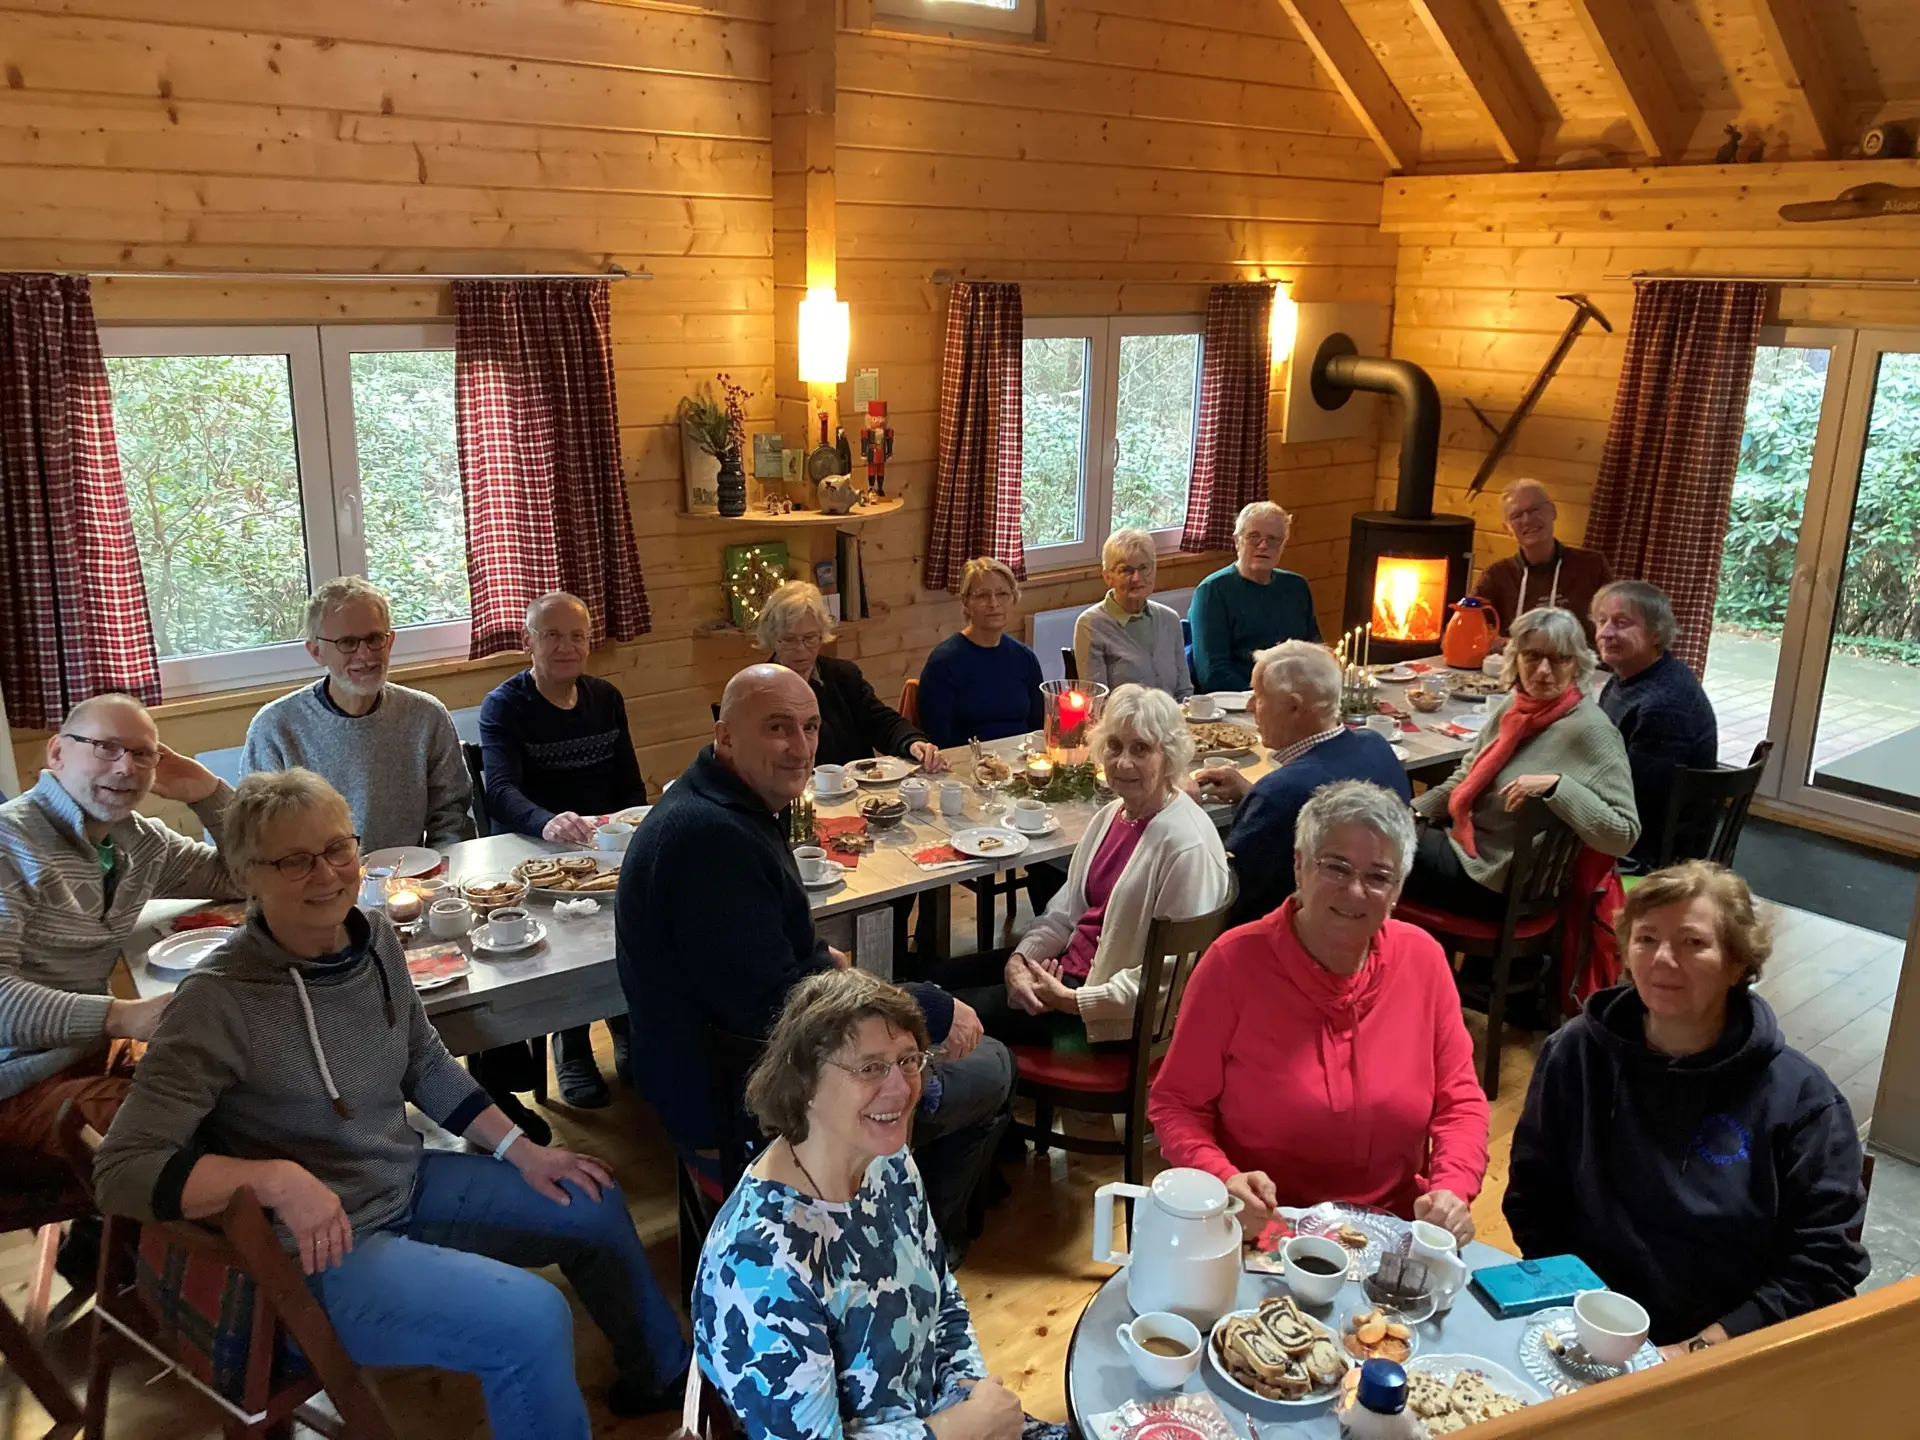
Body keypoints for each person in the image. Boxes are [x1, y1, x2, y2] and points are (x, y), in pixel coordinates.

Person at [93, 769, 691, 1436]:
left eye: (337, 849)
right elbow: (121, 1172)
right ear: (245, 876)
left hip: (400, 1182)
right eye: (294, 860)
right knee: (530, 1320)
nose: (326, 874)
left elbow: (424, 1063)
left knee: (592, 1199)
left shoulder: (374, 936)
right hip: (318, 1251)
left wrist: (520, 1150)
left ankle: (663, 1381)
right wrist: (274, 1179)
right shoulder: (214, 1001)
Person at [615, 664, 1011, 1254]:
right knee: (991, 1067)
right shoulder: (711, 838)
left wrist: (821, 962)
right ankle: (899, 1256)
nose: (800, 748)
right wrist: (920, 1011)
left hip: (721, 1060)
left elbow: (753, 958)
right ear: (725, 736)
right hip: (731, 1101)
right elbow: (776, 1009)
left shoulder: (722, 804)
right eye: (778, 728)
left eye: (810, 727)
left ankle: (888, 1212)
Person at [1504, 862, 1868, 1353]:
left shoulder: (1804, 1102)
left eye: (1692, 943)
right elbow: (1534, 1193)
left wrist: (1698, 1350)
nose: (1662, 960)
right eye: (1646, 938)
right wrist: (1577, 1315)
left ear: (1738, 963)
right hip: (1577, 1321)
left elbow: (1825, 1265)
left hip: (1722, 1349)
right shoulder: (1576, 1053)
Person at [694, 969, 1062, 1440]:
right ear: (804, 1082)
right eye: (869, 1067)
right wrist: (956, 1431)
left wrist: (970, 1392)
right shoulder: (759, 1264)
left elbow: (941, 1294)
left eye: (908, 1060)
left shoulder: (884, 1163)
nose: (901, 1088)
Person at [1149, 781, 1488, 1242]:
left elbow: (1461, 1102)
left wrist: (1452, 1188)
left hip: (1389, 1235)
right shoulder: (1234, 964)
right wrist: (1223, 1178)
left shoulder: (1423, 959)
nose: (1354, 891)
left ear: (1397, 889)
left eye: (1378, 876)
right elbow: (1176, 1105)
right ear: (1299, 865)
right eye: (1336, 867)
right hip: (1266, 1230)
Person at [0, 694, 236, 1164]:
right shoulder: (10, 844)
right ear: (57, 753)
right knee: (196, 1143)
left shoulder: (138, 842)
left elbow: (241, 876)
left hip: (88, 1055)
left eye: (143, 753)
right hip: (16, 1083)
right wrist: (125, 1017)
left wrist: (208, 794)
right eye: (105, 747)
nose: (126, 767)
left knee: (250, 1093)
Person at [932, 685, 1230, 1050]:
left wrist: (1073, 1001)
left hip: (1104, 1019)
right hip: (1067, 974)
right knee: (932, 980)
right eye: (1115, 746)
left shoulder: (1185, 844)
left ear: (1169, 757)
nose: (1122, 762)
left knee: (933, 1017)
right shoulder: (1113, 814)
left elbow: (1171, 980)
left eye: (1141, 749)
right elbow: (1065, 911)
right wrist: (1021, 959)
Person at [479, 591, 640, 1108]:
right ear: (528, 642)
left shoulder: (606, 698)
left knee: (642, 914)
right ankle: (570, 1043)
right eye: (552, 635)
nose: (567, 646)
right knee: (569, 936)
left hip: (606, 844)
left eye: (577, 636)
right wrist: (547, 823)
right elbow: (499, 791)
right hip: (534, 849)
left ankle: (625, 1020)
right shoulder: (506, 705)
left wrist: (634, 832)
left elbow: (629, 786)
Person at [1405, 606, 1639, 921]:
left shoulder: (1591, 731)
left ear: (1577, 666)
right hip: (1468, 846)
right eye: (1532, 656)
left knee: (1376, 850)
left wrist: (1559, 787)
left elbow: (1624, 835)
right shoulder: (1515, 708)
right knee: (1376, 833)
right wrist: (1406, 811)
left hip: (1500, 882)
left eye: (1559, 659)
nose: (1543, 671)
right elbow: (1463, 779)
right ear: (1515, 658)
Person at [241, 576, 474, 851]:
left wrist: (440, 871)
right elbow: (258, 836)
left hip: (409, 880)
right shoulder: (274, 727)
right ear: (316, 651)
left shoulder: (427, 715)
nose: (365, 655)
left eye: (375, 638)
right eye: (348, 643)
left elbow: (451, 815)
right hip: (315, 883)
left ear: (390, 641)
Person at [1197, 641, 1411, 926]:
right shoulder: (1376, 745)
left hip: (1283, 946)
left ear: (1294, 706)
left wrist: (1180, 810)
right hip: (1368, 924)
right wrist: (1251, 795)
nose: (1249, 707)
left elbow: (1224, 891)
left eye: (1258, 696)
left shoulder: (1280, 794)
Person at [1591, 580, 1720, 871]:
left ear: (1656, 634)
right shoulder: (1630, 676)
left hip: (1647, 853)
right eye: (1602, 621)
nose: (1606, 633)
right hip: (1632, 824)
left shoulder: (1664, 704)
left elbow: (1638, 803)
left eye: (1621, 623)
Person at [759, 580, 946, 772]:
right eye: (789, 639)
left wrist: (912, 743)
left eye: (810, 638)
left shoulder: (843, 676)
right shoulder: (756, 689)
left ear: (822, 635)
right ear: (773, 639)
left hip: (855, 794)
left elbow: (881, 721)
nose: (801, 649)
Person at [1189, 502, 1320, 692]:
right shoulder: (1212, 591)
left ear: (1283, 545)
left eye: (1273, 539)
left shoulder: (1296, 587)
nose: (1263, 545)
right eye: (1253, 537)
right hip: (1240, 699)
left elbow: (1315, 652)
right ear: (1237, 541)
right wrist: (1261, 698)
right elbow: (1212, 673)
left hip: (1295, 696)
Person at [917, 557, 1045, 750]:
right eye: (982, 595)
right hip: (967, 766)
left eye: (1002, 594)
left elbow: (1039, 728)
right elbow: (937, 741)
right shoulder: (944, 663)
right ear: (966, 603)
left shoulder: (1025, 657)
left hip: (1021, 763)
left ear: (1013, 599)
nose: (993, 603)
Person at [1473, 479, 1615, 643]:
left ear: (1553, 512)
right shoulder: (1497, 574)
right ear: (1508, 529)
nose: (1527, 520)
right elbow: (1469, 629)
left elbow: (1614, 626)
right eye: (1516, 516)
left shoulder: (1592, 565)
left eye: (1534, 510)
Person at [1073, 529, 1192, 699]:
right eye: (1126, 570)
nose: (1137, 578)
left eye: (1144, 568)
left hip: (1171, 722)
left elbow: (1184, 692)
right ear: (1107, 577)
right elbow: (1096, 703)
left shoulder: (1169, 619)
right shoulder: (1091, 624)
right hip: (1121, 724)